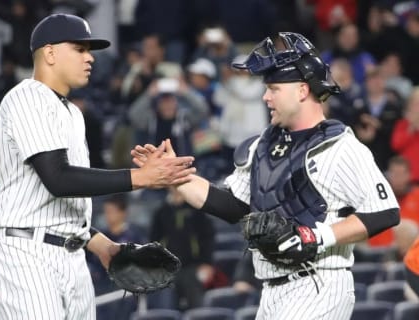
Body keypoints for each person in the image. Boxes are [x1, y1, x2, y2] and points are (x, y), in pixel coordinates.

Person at [132, 32, 400, 319]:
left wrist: (317, 236)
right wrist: (173, 176)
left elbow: (384, 212)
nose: (265, 96)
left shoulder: (340, 146)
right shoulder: (263, 145)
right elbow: (233, 205)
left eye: (273, 88)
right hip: (271, 290)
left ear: (301, 90)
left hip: (319, 284)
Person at [0, 13, 196, 320]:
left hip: (70, 252)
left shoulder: (72, 113)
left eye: (89, 51)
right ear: (50, 53)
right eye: (79, 49)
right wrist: (141, 177)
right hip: (25, 251)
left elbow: (61, 200)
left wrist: (103, 247)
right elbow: (58, 179)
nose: (90, 58)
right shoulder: (26, 97)